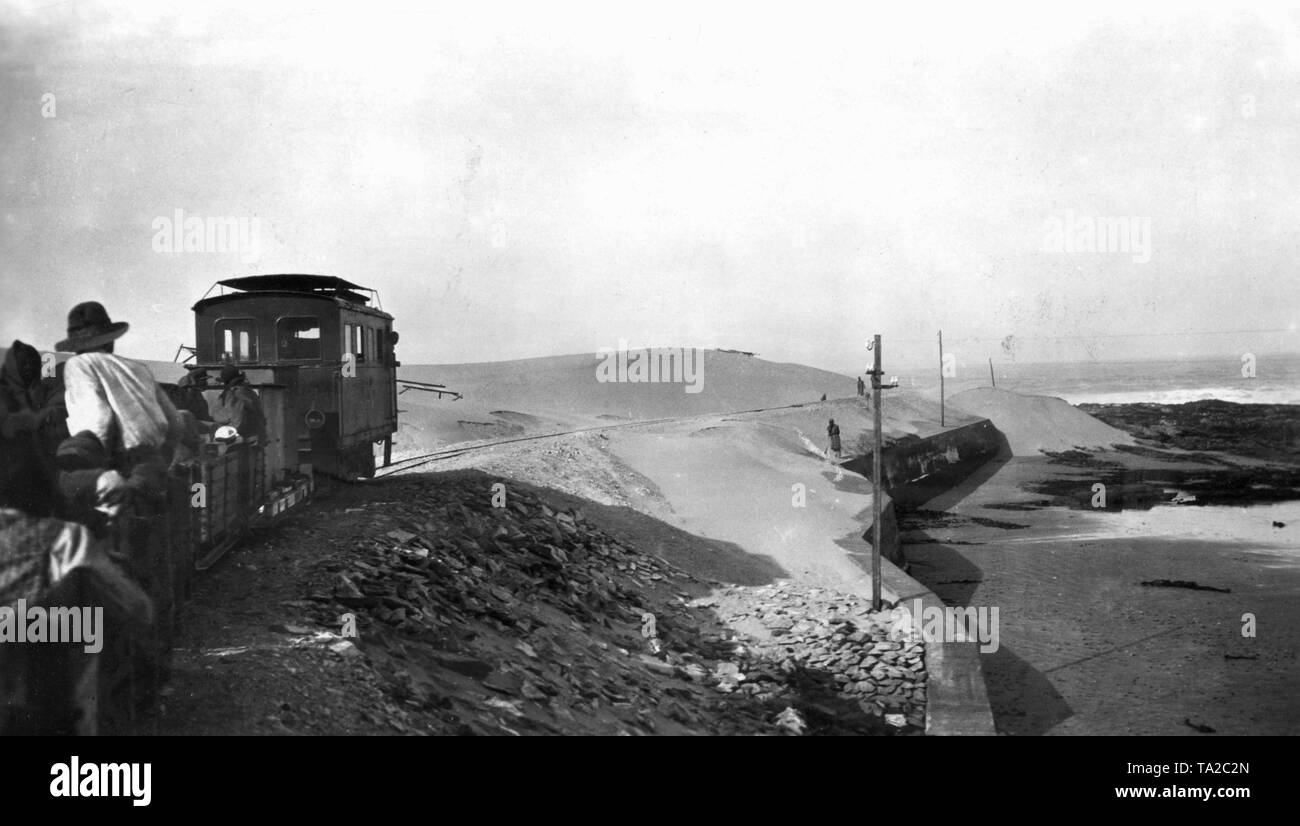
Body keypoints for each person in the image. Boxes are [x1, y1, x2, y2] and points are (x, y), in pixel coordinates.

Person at [55, 302, 185, 505]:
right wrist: (158, 461)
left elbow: (97, 420)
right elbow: (176, 423)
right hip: (152, 468)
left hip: (119, 468)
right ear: (110, 341)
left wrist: (97, 474)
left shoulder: (79, 364)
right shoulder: (138, 369)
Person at [209, 364, 265, 442]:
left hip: (240, 438)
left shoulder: (235, 394)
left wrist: (229, 435)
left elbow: (237, 420)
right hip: (252, 435)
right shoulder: (246, 391)